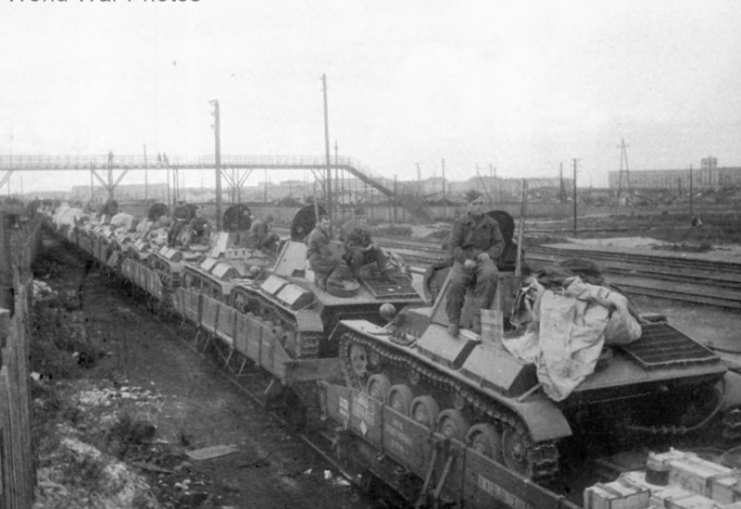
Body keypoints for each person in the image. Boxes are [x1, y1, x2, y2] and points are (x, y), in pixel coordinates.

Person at [446, 192, 504, 337]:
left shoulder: (491, 223)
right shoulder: (460, 222)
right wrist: (464, 260)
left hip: (482, 259)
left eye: (480, 203)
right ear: (468, 205)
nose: (478, 207)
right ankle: (453, 321)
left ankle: (478, 320)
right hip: (464, 259)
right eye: (475, 204)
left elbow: (499, 243)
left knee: (490, 274)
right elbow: (453, 245)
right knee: (456, 283)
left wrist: (489, 254)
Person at [340, 210, 394, 282]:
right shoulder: (351, 234)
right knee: (357, 254)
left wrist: (374, 245)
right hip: (351, 259)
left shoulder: (366, 232)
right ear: (357, 223)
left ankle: (384, 273)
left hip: (363, 257)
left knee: (378, 251)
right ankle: (355, 276)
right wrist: (366, 249)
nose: (364, 223)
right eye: (362, 222)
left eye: (365, 221)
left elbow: (372, 241)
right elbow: (351, 248)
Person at [306, 214, 352, 290]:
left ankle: (321, 277)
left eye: (328, 224)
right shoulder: (320, 235)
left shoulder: (316, 231)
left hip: (314, 259)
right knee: (342, 263)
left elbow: (306, 240)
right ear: (319, 223)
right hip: (317, 260)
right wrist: (338, 255)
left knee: (334, 261)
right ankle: (333, 279)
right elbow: (326, 252)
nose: (327, 226)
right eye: (324, 224)